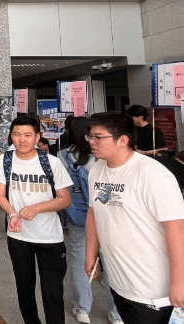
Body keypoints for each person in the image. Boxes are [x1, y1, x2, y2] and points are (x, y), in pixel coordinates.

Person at [86, 113, 184, 324]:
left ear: (123, 140)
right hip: (119, 282)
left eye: (98, 137)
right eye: (90, 136)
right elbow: (93, 213)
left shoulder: (153, 174)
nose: (92, 142)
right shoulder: (96, 170)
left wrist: (179, 283)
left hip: (152, 289)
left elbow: (176, 229)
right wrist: (90, 253)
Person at [0, 116, 73, 324]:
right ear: (11, 137)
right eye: (17, 134)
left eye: (28, 135)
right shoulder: (4, 161)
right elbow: (0, 195)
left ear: (38, 137)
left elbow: (65, 200)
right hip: (19, 237)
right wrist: (12, 214)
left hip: (50, 238)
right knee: (24, 288)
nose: (22, 140)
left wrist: (37, 208)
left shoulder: (52, 162)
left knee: (52, 292)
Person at [58, 117, 123, 324]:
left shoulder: (62, 156)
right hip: (106, 216)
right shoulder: (102, 158)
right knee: (111, 263)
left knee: (79, 262)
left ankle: (82, 308)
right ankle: (116, 314)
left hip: (78, 216)